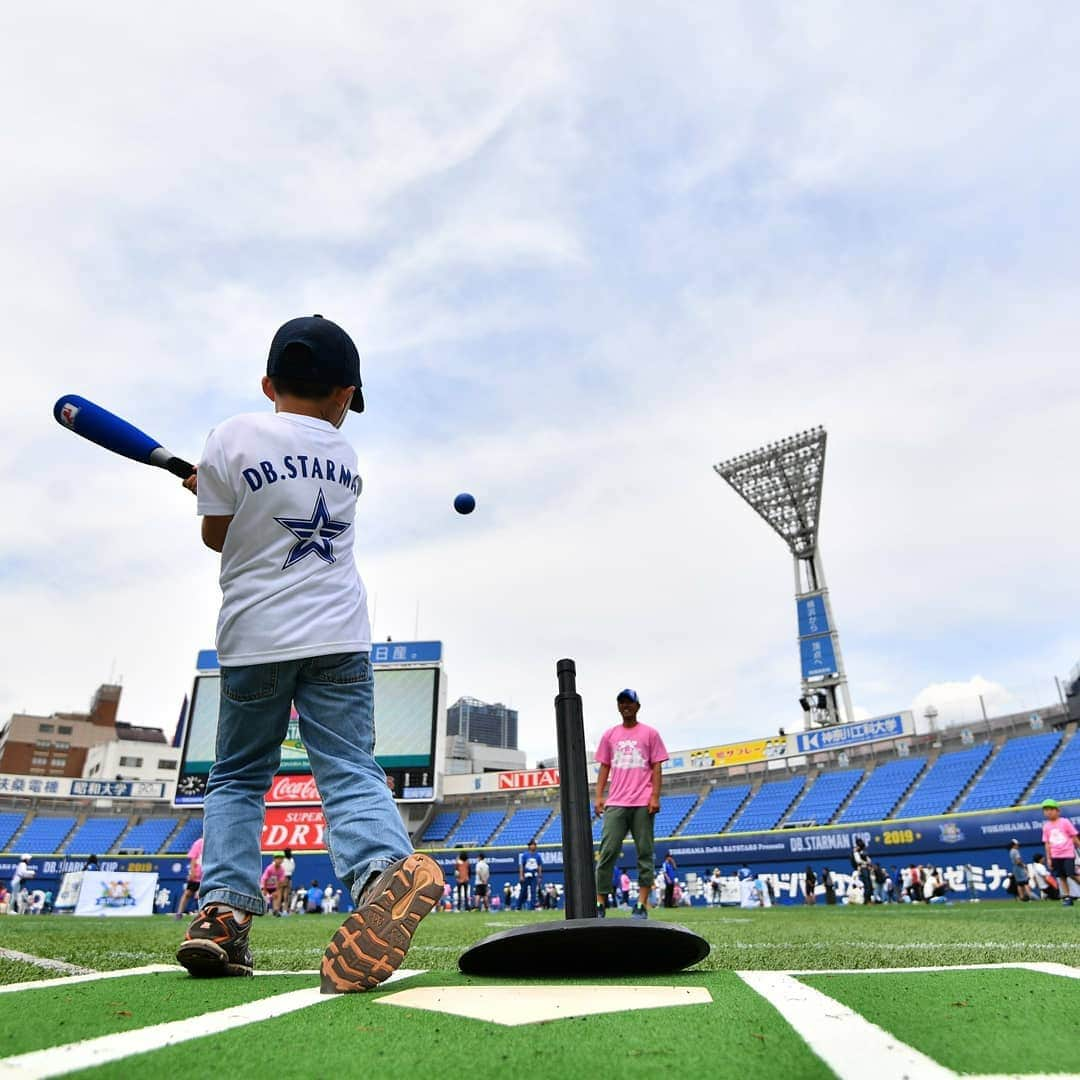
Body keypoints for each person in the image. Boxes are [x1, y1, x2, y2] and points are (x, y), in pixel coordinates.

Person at [174, 314, 443, 992]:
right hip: (341, 637)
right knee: (349, 766)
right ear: (345, 396)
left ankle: (224, 914)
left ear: (268, 382)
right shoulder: (347, 460)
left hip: (256, 638)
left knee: (237, 777)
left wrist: (210, 489)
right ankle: (383, 869)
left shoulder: (230, 436)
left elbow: (219, 536)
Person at [594, 688, 668, 920]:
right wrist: (598, 796)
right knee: (607, 851)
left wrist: (655, 795)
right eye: (622, 702)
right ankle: (599, 902)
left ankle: (641, 904)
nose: (626, 706)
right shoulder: (609, 735)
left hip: (642, 801)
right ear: (618, 706)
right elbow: (604, 766)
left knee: (645, 853)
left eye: (630, 702)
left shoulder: (650, 734)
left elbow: (657, 766)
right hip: (616, 801)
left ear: (637, 706)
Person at [1041, 799, 1080, 907]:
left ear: (1057, 811)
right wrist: (1048, 858)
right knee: (1061, 877)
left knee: (1071, 874)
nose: (1048, 812)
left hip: (1067, 854)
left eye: (1051, 810)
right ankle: (1067, 897)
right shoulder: (1046, 826)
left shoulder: (1064, 822)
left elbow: (1074, 837)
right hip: (1055, 855)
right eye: (1046, 810)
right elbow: (1047, 843)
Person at [518, 840, 543, 910]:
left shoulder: (538, 856)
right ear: (529, 846)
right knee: (523, 891)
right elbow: (521, 866)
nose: (533, 846)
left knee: (533, 892)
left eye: (534, 845)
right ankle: (518, 906)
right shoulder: (525, 855)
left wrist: (540, 876)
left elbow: (539, 866)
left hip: (534, 875)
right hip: (526, 875)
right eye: (532, 845)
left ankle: (532, 907)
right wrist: (521, 875)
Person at [276, 848, 295, 916]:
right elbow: (292, 869)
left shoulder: (282, 860)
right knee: (286, 896)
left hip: (281, 878)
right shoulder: (291, 860)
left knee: (280, 895)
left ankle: (277, 910)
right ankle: (284, 911)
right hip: (288, 878)